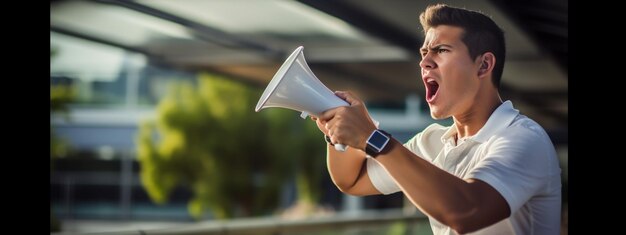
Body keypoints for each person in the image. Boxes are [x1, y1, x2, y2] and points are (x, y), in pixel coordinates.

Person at [311, 3, 561, 235]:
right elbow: (353, 180)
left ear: (484, 65)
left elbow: (467, 211)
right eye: (424, 52)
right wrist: (336, 127)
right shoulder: (432, 142)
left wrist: (373, 138)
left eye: (441, 50)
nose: (424, 62)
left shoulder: (524, 139)